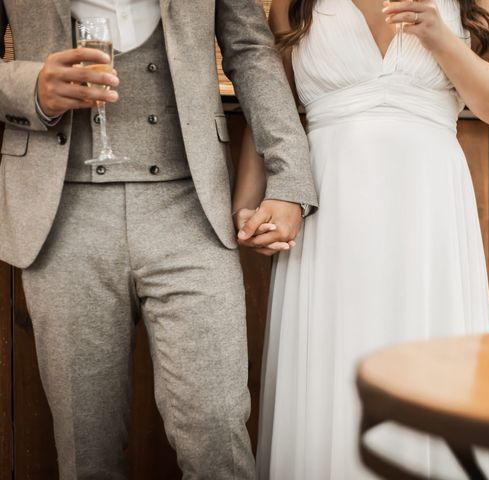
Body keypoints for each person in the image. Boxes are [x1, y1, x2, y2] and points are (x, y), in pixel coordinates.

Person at [0, 1, 317, 478]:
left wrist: (289, 179)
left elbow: (251, 50)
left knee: (218, 434)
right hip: (62, 216)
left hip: (191, 210)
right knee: (86, 453)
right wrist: (30, 88)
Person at [233, 0, 489, 478]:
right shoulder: (293, 3)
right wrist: (247, 206)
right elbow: (269, 110)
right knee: (333, 373)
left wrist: (440, 38)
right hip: (329, 213)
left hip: (429, 217)